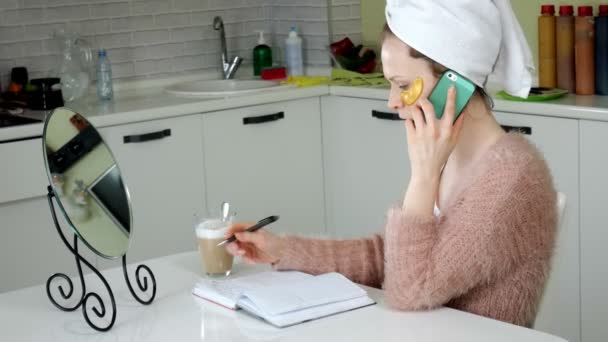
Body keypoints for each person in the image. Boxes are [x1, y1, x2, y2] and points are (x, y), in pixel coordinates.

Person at [225, 0, 557, 328]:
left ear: (454, 83)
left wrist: (423, 177)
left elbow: (409, 290)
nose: (393, 101)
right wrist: (282, 249)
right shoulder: (449, 155)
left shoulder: (511, 178)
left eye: (402, 85)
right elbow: (386, 256)